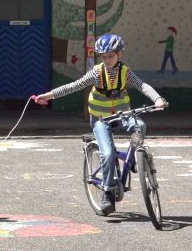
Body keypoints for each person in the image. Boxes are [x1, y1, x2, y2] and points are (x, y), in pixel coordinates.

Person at [32, 34, 168, 215]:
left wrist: (157, 99)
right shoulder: (96, 73)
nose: (107, 59)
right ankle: (107, 192)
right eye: (104, 56)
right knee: (108, 153)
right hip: (100, 118)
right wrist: (48, 96)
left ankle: (136, 157)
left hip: (122, 114)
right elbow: (74, 86)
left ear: (119, 55)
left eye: (111, 55)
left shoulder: (125, 72)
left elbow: (142, 85)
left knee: (140, 126)